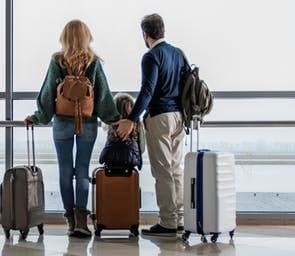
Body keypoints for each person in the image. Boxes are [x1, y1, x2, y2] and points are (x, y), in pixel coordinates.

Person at [25, 20, 120, 238]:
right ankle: (81, 223)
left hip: (61, 123)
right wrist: (114, 119)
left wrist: (38, 117)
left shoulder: (57, 61)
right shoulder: (93, 62)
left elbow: (48, 93)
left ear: (65, 37)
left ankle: (69, 219)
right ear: (87, 36)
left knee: (65, 171)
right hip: (87, 124)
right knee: (83, 171)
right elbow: (103, 95)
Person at [116, 14, 190, 236]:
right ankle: (179, 218)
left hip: (160, 117)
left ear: (145, 34)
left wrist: (132, 118)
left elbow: (147, 91)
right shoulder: (178, 54)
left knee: (163, 171)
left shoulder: (151, 56)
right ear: (163, 30)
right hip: (179, 117)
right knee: (176, 169)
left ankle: (167, 222)